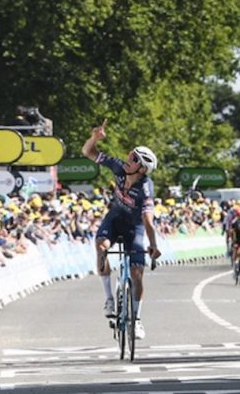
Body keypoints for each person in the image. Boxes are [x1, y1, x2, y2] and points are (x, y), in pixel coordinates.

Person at [82, 119, 161, 340]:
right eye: (130, 154)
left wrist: (153, 245)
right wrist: (94, 138)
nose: (128, 158)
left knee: (137, 274)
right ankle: (109, 298)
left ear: (142, 168)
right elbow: (88, 152)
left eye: (134, 158)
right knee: (101, 247)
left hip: (134, 227)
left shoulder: (145, 188)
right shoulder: (118, 167)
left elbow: (147, 220)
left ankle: (136, 320)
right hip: (114, 219)